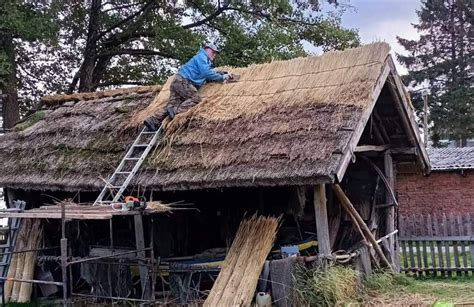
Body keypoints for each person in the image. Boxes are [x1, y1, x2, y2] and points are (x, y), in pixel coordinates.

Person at [144, 42, 232, 131]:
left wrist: (218, 73)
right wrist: (222, 77)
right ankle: (176, 111)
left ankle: (152, 120)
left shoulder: (202, 60)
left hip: (177, 82)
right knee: (195, 99)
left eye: (215, 53)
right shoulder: (202, 57)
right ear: (207, 49)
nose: (214, 55)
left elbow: (205, 74)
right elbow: (206, 73)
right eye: (213, 52)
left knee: (171, 105)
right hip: (183, 82)